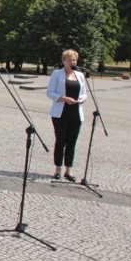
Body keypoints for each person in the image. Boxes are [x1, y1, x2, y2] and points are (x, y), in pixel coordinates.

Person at [46, 49, 88, 181]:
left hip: (76, 112)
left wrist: (81, 99)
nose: (72, 62)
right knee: (60, 141)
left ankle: (68, 170)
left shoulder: (80, 75)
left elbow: (84, 93)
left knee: (72, 142)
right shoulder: (57, 74)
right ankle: (57, 169)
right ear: (64, 61)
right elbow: (50, 92)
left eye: (74, 60)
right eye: (69, 60)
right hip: (61, 112)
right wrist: (64, 98)